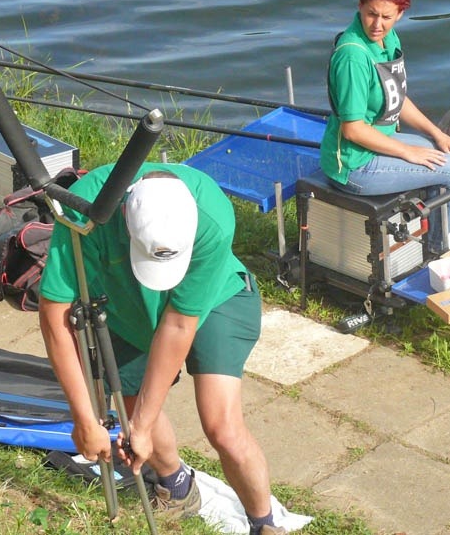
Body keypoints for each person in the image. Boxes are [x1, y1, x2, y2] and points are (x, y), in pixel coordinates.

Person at [38, 162, 286, 535]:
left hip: (214, 299)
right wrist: (85, 418)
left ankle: (264, 524)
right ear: (124, 214)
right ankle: (176, 485)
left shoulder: (213, 215)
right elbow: (55, 317)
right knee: (133, 405)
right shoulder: (84, 210)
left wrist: (145, 425)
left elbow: (179, 323)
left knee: (222, 427)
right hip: (127, 305)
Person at [320, 0, 450, 253]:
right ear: (360, 6)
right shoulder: (353, 57)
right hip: (354, 166)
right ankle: (440, 250)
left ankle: (436, 237)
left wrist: (439, 135)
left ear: (400, 14)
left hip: (377, 145)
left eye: (387, 17)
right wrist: (407, 152)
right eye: (371, 13)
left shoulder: (388, 39)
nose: (377, 24)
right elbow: (352, 130)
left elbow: (396, 98)